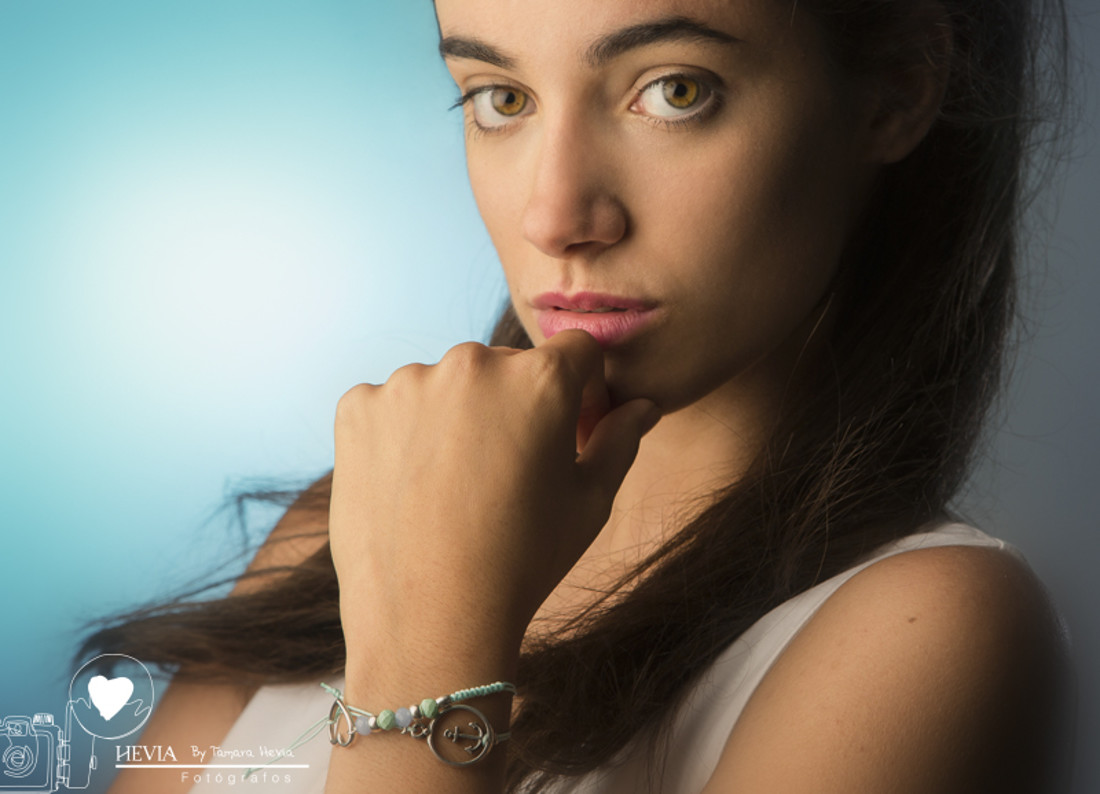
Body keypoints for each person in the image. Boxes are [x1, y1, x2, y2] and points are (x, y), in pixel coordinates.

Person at [81, 0, 1073, 791]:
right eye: (499, 97)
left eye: (673, 89)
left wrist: (431, 650)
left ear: (893, 93)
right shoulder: (343, 526)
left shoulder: (927, 630)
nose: (554, 212)